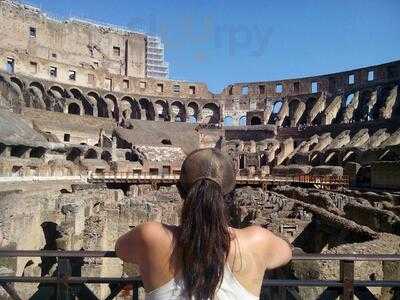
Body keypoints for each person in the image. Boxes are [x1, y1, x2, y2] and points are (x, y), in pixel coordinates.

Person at [115, 148, 292, 300]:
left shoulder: (150, 234)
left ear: (180, 191)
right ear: (230, 196)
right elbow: (287, 253)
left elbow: (120, 249)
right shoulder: (258, 240)